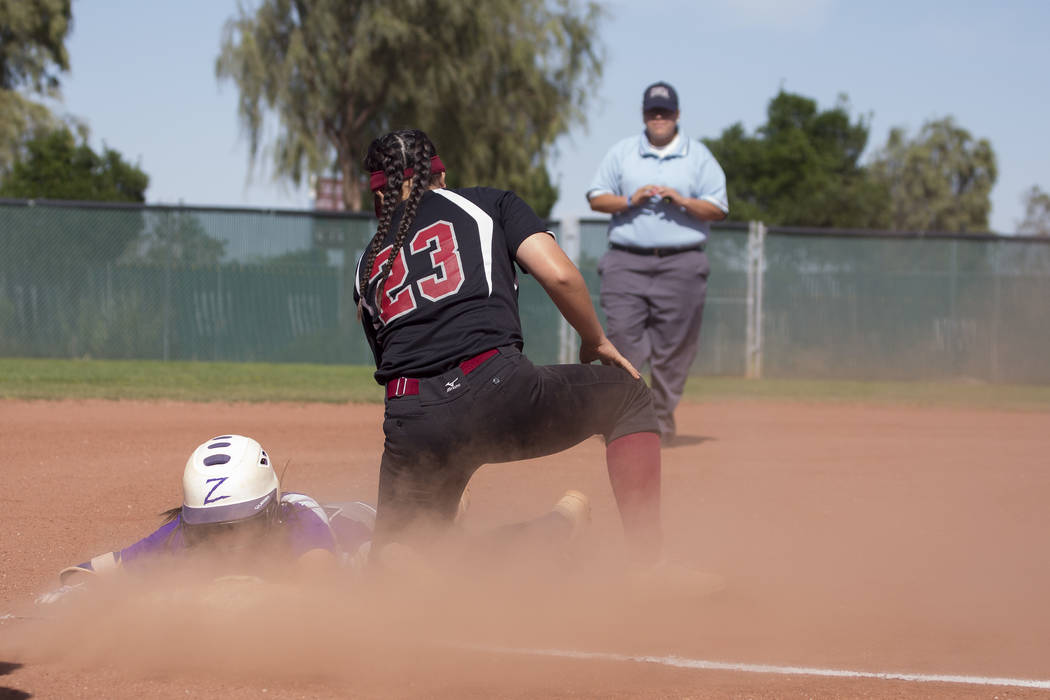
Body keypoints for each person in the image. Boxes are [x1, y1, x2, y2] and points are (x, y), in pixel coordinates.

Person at [354, 128, 663, 566]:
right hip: (496, 388)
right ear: (439, 175)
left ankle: (426, 562)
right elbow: (559, 275)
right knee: (629, 394)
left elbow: (389, 354)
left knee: (412, 560)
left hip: (411, 421)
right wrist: (594, 339)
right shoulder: (486, 203)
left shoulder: (367, 263)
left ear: (378, 193)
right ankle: (647, 563)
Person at [586, 81, 729, 446]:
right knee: (621, 342)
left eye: (665, 112)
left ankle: (660, 419)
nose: (659, 117)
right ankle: (627, 418)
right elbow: (597, 199)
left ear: (677, 115)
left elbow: (718, 207)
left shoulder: (698, 156)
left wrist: (680, 200)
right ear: (644, 114)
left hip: (682, 265)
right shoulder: (623, 153)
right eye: (653, 111)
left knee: (674, 349)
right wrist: (629, 200)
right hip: (625, 263)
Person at [49, 434, 376, 591]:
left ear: (271, 511)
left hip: (363, 526)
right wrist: (75, 594)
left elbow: (321, 594)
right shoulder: (185, 532)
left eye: (238, 526)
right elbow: (91, 573)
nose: (225, 540)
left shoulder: (299, 519)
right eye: (211, 529)